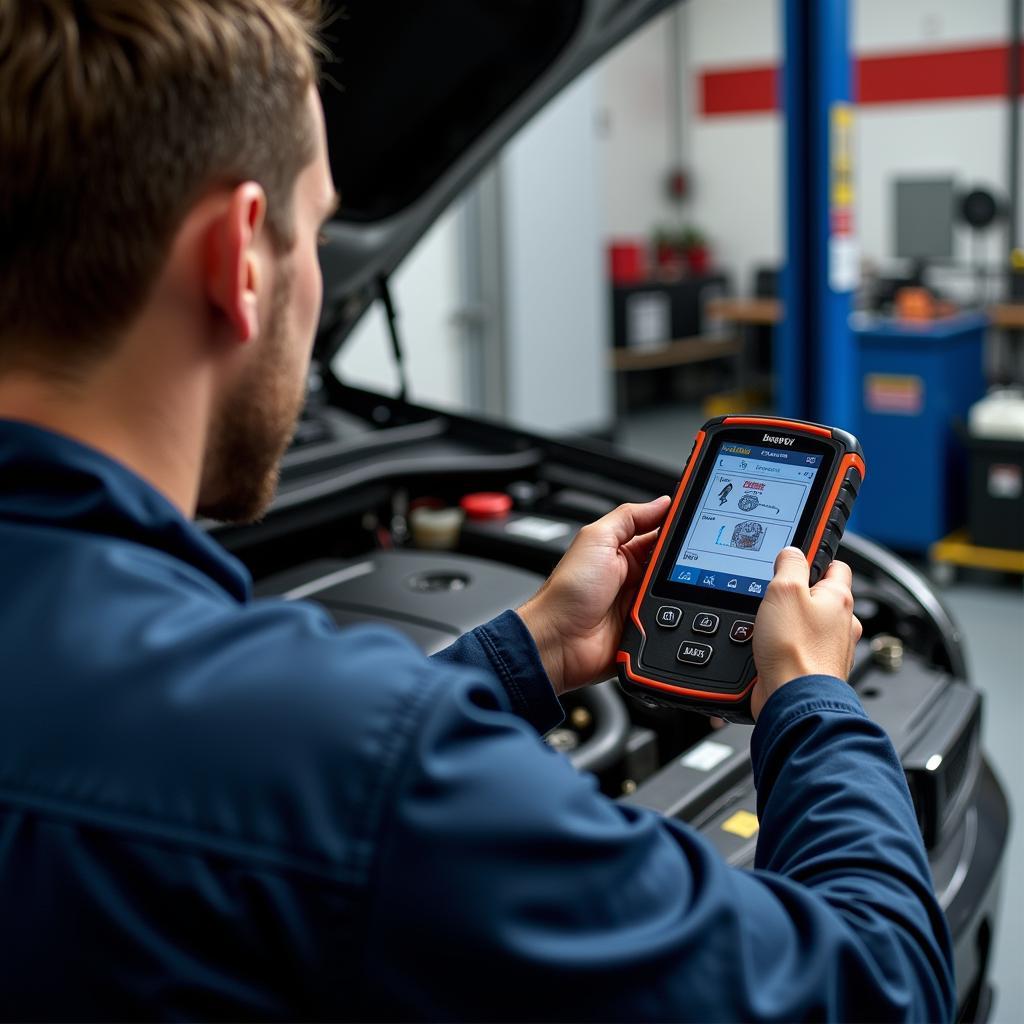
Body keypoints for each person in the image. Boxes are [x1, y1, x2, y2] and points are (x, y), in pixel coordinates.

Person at [0, 2, 954, 1020]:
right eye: (318, 229)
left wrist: (528, 652)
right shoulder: (348, 760)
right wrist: (811, 701)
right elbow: (877, 986)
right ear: (240, 257)